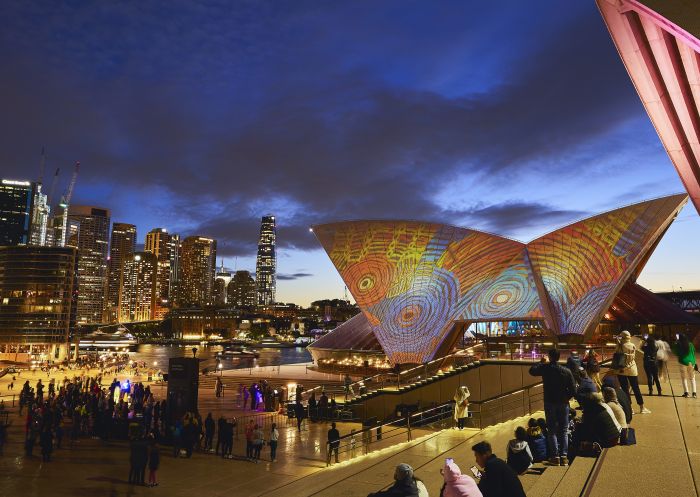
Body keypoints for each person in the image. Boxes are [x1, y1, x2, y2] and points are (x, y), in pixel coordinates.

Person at [528, 349, 576, 466]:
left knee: (552, 430)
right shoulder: (566, 371)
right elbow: (573, 390)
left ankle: (555, 457)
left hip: (549, 403)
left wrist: (541, 362)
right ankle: (564, 456)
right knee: (564, 430)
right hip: (563, 404)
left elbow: (532, 371)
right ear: (559, 358)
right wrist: (565, 398)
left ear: (549, 357)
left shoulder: (545, 368)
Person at [615, 330, 650, 414]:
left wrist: (618, 342)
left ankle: (630, 408)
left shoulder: (619, 346)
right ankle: (642, 407)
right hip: (632, 370)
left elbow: (616, 353)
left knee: (625, 390)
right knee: (636, 388)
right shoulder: (632, 345)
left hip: (621, 370)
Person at [673, 333, 697, 398]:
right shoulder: (691, 344)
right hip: (691, 363)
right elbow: (693, 352)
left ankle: (686, 393)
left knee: (684, 378)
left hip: (683, 362)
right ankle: (694, 393)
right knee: (692, 378)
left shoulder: (679, 344)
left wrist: (676, 342)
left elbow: (675, 352)